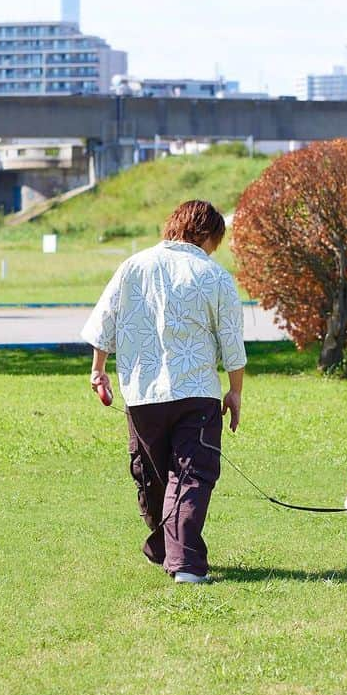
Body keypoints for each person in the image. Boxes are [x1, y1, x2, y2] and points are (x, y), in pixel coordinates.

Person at [81, 199, 247, 584]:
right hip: (198, 392)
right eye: (214, 243)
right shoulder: (216, 276)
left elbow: (104, 321)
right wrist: (235, 393)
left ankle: (171, 551)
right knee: (192, 475)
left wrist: (98, 370)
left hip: (143, 393)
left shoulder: (132, 266)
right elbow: (232, 344)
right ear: (205, 235)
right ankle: (183, 561)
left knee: (152, 475)